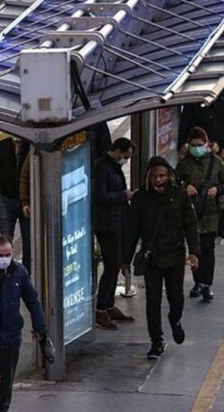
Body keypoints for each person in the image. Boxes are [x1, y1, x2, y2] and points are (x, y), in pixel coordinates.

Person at [123, 156, 200, 359]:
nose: (159, 180)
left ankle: (175, 320)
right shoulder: (140, 200)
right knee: (152, 301)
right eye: (156, 176)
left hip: (175, 256)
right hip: (152, 258)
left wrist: (194, 252)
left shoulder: (179, 195)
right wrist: (125, 260)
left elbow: (190, 225)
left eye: (163, 176)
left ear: (169, 176)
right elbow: (132, 231)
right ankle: (156, 342)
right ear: (149, 177)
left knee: (176, 298)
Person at [0, 235, 48, 412]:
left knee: (5, 383)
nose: (4, 259)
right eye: (0, 255)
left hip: (11, 337)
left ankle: (2, 408)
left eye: (8, 254)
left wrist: (39, 328)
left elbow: (32, 300)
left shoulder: (19, 272)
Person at [176, 127, 224, 301]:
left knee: (208, 249)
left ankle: (207, 284)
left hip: (210, 213)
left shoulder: (216, 162)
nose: (196, 148)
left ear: (207, 144)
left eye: (200, 145)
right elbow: (174, 182)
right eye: (193, 145)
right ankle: (198, 281)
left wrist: (217, 188)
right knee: (195, 249)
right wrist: (185, 187)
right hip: (191, 213)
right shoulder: (184, 163)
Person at [93, 138, 136, 330]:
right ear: (117, 151)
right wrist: (123, 195)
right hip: (106, 225)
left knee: (115, 264)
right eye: (125, 156)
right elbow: (99, 196)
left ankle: (108, 305)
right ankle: (101, 308)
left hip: (116, 222)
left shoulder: (112, 166)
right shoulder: (102, 167)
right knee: (111, 265)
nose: (125, 160)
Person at [0, 137, 31, 270]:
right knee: (5, 239)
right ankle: (5, 271)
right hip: (6, 199)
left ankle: (25, 273)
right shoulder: (2, 146)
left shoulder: (31, 147)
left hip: (26, 203)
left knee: (28, 241)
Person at [179, 85, 224, 172]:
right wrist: (182, 145)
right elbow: (185, 122)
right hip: (197, 149)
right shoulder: (195, 95)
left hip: (221, 148)